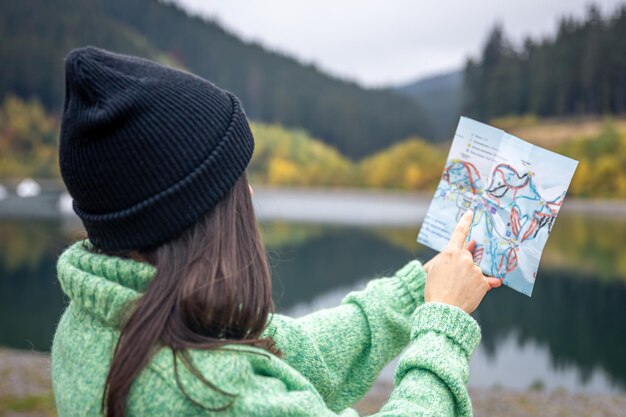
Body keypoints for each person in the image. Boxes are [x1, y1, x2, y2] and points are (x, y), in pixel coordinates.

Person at [51, 46, 501, 417]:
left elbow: (301, 351)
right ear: (192, 210)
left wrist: (420, 290)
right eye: (234, 177)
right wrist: (442, 326)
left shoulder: (102, 319)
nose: (246, 190)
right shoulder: (210, 395)